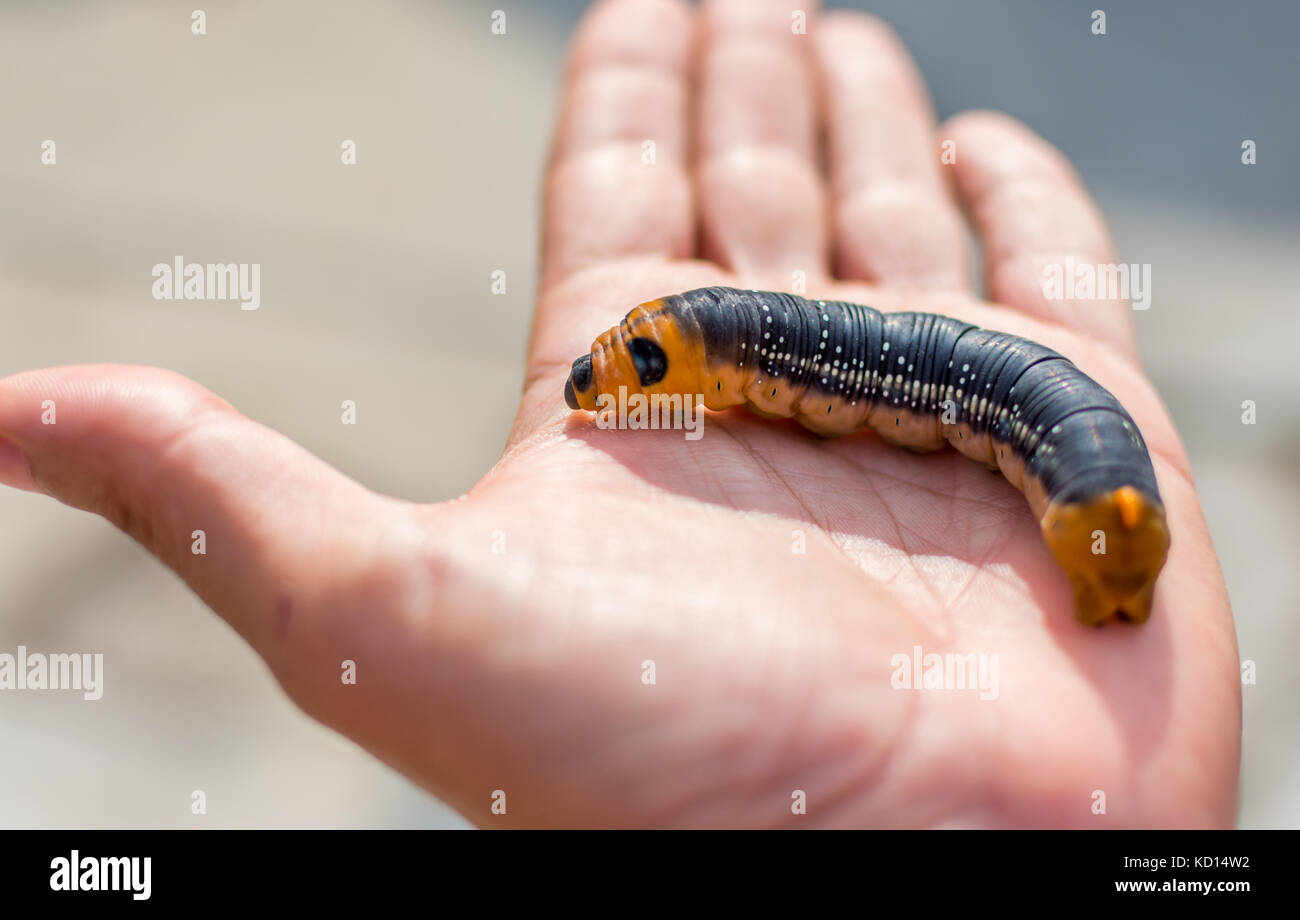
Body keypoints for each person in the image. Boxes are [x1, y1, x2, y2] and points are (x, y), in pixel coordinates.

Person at [0, 0, 1239, 827]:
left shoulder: (1028, 460)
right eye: (1115, 546)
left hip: (1062, 440)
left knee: (951, 376)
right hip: (1064, 451)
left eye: (631, 370)